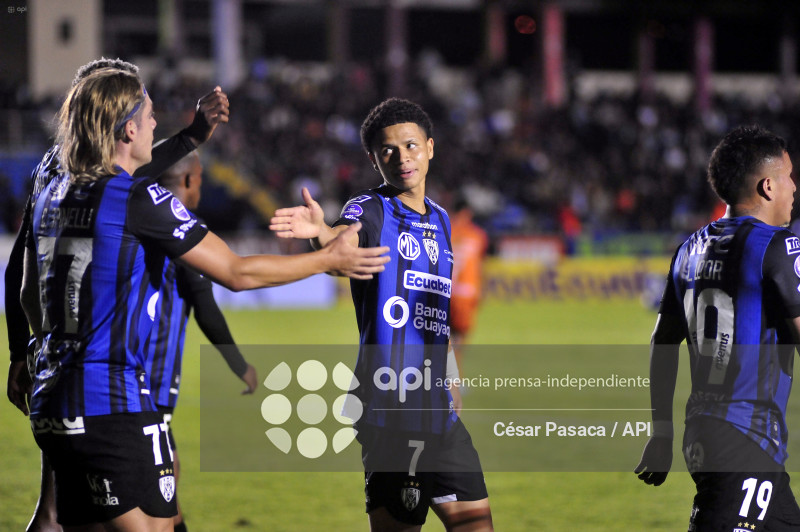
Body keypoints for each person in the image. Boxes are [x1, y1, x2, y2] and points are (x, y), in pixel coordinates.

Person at [21, 67, 389, 532]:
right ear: (129, 129)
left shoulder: (50, 193)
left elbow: (28, 294)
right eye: (150, 116)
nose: (155, 124)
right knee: (159, 526)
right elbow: (236, 272)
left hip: (50, 398)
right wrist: (326, 259)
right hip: (109, 400)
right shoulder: (136, 197)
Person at [5, 56, 231, 532]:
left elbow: (19, 276)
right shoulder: (80, 178)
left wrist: (23, 352)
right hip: (100, 375)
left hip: (59, 371)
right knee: (68, 512)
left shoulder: (55, 174)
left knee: (59, 510)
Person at [270, 97, 493, 531]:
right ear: (374, 160)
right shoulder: (371, 209)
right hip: (392, 413)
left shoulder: (443, 220)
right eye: (387, 150)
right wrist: (321, 234)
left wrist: (449, 374)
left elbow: (435, 312)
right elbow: (343, 244)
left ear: (430, 148)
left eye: (411, 146)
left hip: (440, 412)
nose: (402, 157)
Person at [634, 125, 800, 530]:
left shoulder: (688, 250)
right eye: (789, 176)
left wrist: (662, 432)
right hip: (744, 439)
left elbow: (662, 343)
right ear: (767, 186)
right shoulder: (776, 247)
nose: (794, 187)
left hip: (711, 433)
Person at [147, 148, 258, 532]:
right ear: (188, 180)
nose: (201, 186)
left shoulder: (137, 215)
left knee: (166, 473)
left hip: (122, 366)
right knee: (160, 484)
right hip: (150, 373)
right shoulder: (181, 226)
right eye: (200, 179)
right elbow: (205, 306)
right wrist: (240, 365)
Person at [448, 197, 488, 374]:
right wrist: (481, 291)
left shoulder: (444, 230)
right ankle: (455, 378)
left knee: (441, 337)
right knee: (459, 339)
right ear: (468, 212)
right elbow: (480, 265)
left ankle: (442, 377)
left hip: (445, 291)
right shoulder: (477, 235)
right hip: (466, 293)